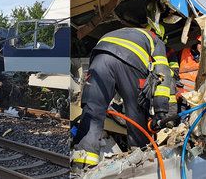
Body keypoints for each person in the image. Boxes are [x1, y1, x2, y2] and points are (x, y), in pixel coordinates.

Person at [71, 24, 171, 167]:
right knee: (136, 110)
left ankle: (82, 163)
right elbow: (163, 74)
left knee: (93, 109)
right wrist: (161, 112)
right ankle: (140, 158)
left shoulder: (127, 32)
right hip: (130, 60)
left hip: (99, 56)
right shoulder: (156, 40)